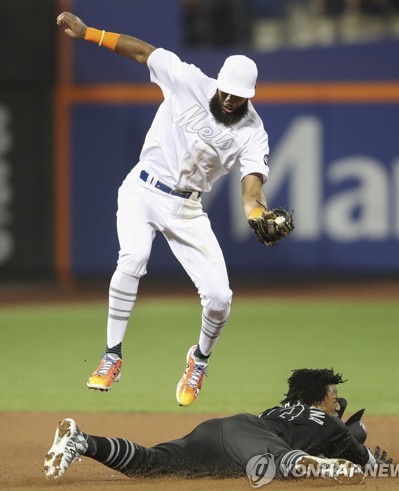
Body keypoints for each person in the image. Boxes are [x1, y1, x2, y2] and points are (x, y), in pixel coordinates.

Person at [56, 11, 277, 407]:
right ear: (218, 82)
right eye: (225, 90)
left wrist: (258, 214)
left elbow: (251, 190)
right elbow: (142, 51)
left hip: (187, 209)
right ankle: (112, 356)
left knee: (220, 298)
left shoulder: (252, 132)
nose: (229, 99)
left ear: (251, 95)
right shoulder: (189, 80)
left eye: (238, 95)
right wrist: (88, 32)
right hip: (142, 189)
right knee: (133, 257)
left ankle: (199, 360)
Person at [44, 368, 391, 484]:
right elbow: (368, 464)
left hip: (220, 431)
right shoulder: (332, 426)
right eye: (334, 396)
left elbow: (299, 427)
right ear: (320, 399)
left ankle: (82, 440)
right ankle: (310, 464)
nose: (337, 402)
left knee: (151, 463)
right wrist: (363, 447)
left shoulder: (279, 408)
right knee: (278, 461)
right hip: (254, 443)